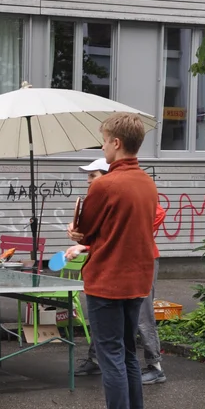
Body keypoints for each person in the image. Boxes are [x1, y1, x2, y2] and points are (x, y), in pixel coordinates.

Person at [69, 113, 157, 409]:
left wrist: (75, 233)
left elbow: (86, 232)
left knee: (111, 357)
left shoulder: (103, 185)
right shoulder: (147, 183)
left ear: (116, 143)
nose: (102, 146)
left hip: (107, 280)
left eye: (104, 140)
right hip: (137, 279)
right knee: (128, 354)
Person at [68, 160, 167, 385]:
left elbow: (157, 213)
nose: (88, 180)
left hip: (143, 260)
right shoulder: (104, 200)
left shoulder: (131, 193)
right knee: (104, 311)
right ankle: (96, 359)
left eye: (92, 175)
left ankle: (155, 366)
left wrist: (134, 228)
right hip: (116, 261)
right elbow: (104, 236)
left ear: (106, 176)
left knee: (142, 314)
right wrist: (82, 241)